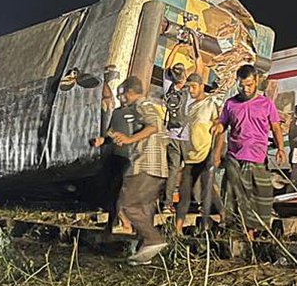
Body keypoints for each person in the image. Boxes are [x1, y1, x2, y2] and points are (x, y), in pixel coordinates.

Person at [91, 75, 169, 263]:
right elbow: (122, 132)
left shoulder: (143, 105)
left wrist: (130, 139)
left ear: (130, 92)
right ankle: (145, 252)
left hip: (145, 164)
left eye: (122, 94)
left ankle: (153, 239)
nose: (120, 98)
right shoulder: (131, 112)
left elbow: (154, 126)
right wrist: (107, 139)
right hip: (157, 168)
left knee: (127, 204)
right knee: (144, 207)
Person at [212, 65, 286, 238]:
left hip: (256, 157)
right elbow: (223, 124)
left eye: (249, 85)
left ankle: (250, 234)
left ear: (256, 81)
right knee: (232, 195)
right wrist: (217, 128)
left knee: (253, 197)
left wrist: (281, 149)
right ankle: (234, 231)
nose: (245, 89)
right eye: (242, 85)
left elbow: (276, 127)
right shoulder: (231, 104)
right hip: (234, 156)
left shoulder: (266, 104)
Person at [175, 73, 225, 231]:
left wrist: (217, 152)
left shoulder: (210, 104)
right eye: (188, 87)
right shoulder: (189, 107)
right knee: (184, 192)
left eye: (194, 87)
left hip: (206, 152)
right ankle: (177, 229)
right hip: (190, 156)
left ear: (202, 86)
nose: (191, 90)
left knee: (207, 188)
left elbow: (220, 130)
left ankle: (221, 217)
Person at [162, 33, 205, 214]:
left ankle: (167, 204)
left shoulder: (168, 89)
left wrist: (176, 46)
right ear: (185, 76)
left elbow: (167, 66)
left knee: (173, 170)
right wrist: (194, 43)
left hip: (171, 134)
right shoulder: (190, 89)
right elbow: (200, 65)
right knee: (192, 167)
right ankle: (197, 202)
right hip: (187, 136)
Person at [91, 66, 132, 235]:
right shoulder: (117, 112)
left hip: (127, 157)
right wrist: (103, 140)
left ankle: (121, 223)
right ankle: (114, 223)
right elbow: (111, 133)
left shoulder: (136, 113)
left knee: (118, 192)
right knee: (112, 190)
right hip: (115, 156)